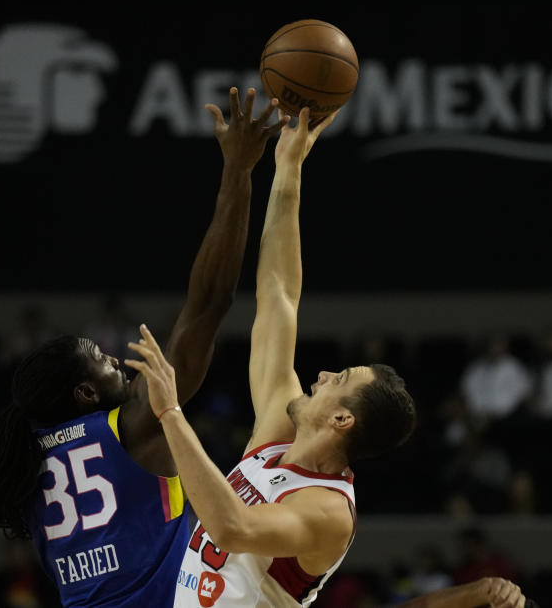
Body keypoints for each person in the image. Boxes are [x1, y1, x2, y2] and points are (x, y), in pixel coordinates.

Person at [0, 87, 289, 607]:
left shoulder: (22, 464)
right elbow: (211, 300)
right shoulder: (137, 423)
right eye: (101, 361)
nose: (115, 360)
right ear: (83, 393)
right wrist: (238, 170)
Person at [127, 108, 528, 608]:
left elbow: (230, 525)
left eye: (338, 378)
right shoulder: (277, 436)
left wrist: (170, 411)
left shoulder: (328, 510)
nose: (318, 375)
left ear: (342, 418)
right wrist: (289, 167)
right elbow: (278, 296)